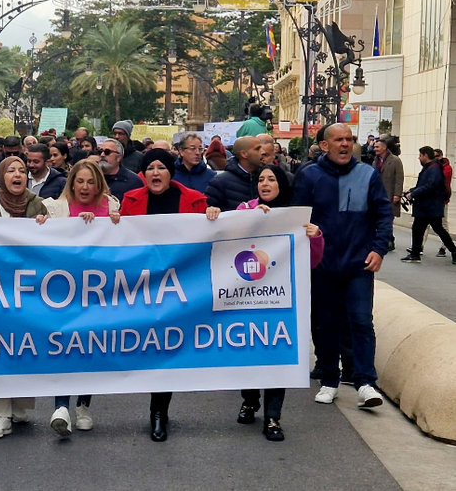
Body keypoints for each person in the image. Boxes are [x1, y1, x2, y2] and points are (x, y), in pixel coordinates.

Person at [206, 165, 324, 441]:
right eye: (261, 179)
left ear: (283, 183)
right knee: (248, 354)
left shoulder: (296, 217)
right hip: (245, 300)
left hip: (280, 302)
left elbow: (313, 261)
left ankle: (273, 418)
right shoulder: (245, 208)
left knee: (276, 356)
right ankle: (249, 400)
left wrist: (315, 237)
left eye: (271, 179)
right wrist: (225, 216)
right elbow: (225, 239)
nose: (265, 183)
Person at [293, 123, 391, 408]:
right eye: (339, 140)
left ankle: (365, 383)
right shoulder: (309, 176)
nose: (346, 144)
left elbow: (383, 215)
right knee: (326, 326)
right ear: (325, 145)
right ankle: (329, 381)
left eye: (350, 139)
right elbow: (296, 216)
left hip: (358, 265)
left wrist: (379, 249)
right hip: (321, 266)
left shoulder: (368, 174)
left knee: (361, 322)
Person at [118, 149, 208, 441]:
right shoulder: (130, 201)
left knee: (165, 347)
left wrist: (213, 216)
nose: (156, 173)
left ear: (172, 171)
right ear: (144, 174)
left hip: (179, 285)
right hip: (141, 285)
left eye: (162, 167)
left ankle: (159, 412)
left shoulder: (195, 201)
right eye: (150, 168)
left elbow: (210, 237)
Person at [38, 160, 120, 437]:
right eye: (80, 181)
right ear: (71, 183)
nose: (85, 187)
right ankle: (61, 407)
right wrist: (41, 225)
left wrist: (113, 225)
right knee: (63, 345)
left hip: (98, 292)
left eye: (90, 182)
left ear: (99, 184)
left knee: (90, 349)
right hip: (63, 291)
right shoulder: (54, 208)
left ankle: (83, 406)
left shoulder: (111, 208)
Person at [0, 156, 45, 438]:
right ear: (1, 176)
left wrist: (44, 225)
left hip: (27, 289)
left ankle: (19, 404)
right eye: (11, 170)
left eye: (23, 170)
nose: (18, 174)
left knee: (23, 348)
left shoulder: (38, 205)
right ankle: (0, 414)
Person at [401, 146, 456, 264]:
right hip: (427, 205)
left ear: (425, 155)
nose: (419, 158)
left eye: (420, 155)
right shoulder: (430, 168)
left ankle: (453, 251)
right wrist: (410, 191)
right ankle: (415, 253)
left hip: (430, 206)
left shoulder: (434, 169)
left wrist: (413, 194)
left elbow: (430, 186)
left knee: (434, 229)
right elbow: (423, 185)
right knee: (421, 228)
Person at [204, 136, 263, 212]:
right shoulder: (220, 182)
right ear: (244, 154)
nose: (262, 152)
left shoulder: (266, 178)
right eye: (257, 149)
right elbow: (207, 211)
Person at [373, 139, 403, 251]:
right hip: (377, 195)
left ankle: (389, 241)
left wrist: (397, 194)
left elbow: (399, 179)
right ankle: (387, 238)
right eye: (374, 147)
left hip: (390, 194)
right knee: (378, 219)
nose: (375, 149)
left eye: (377, 147)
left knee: (388, 218)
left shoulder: (395, 160)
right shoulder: (375, 161)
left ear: (384, 148)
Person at [97, 138, 143, 204]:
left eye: (107, 152)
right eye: (100, 151)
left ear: (119, 157)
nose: (102, 155)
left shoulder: (133, 182)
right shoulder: (91, 178)